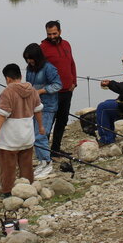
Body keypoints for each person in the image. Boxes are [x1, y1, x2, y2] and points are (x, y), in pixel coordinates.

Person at [0, 63, 44, 195]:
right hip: (27, 135)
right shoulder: (32, 90)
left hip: (11, 137)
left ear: (7, 79)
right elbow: (38, 110)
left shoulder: (7, 92)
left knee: (7, 166)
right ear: (21, 76)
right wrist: (41, 126)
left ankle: (8, 191)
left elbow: (2, 113)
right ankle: (28, 187)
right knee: (26, 164)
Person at [23, 43, 61, 178]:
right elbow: (29, 85)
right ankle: (42, 162)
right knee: (33, 136)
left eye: (31, 58)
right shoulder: (30, 69)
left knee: (40, 135)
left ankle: (47, 162)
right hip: (34, 106)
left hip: (48, 106)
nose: (29, 61)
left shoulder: (49, 68)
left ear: (37, 57)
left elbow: (58, 85)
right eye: (27, 59)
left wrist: (40, 91)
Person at [40, 20, 76, 155]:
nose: (52, 37)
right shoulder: (42, 48)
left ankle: (56, 149)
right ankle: (43, 151)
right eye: (49, 34)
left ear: (60, 32)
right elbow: (38, 70)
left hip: (67, 90)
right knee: (48, 122)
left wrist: (74, 82)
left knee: (62, 120)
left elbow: (72, 63)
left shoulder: (66, 44)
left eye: (54, 33)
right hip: (52, 93)